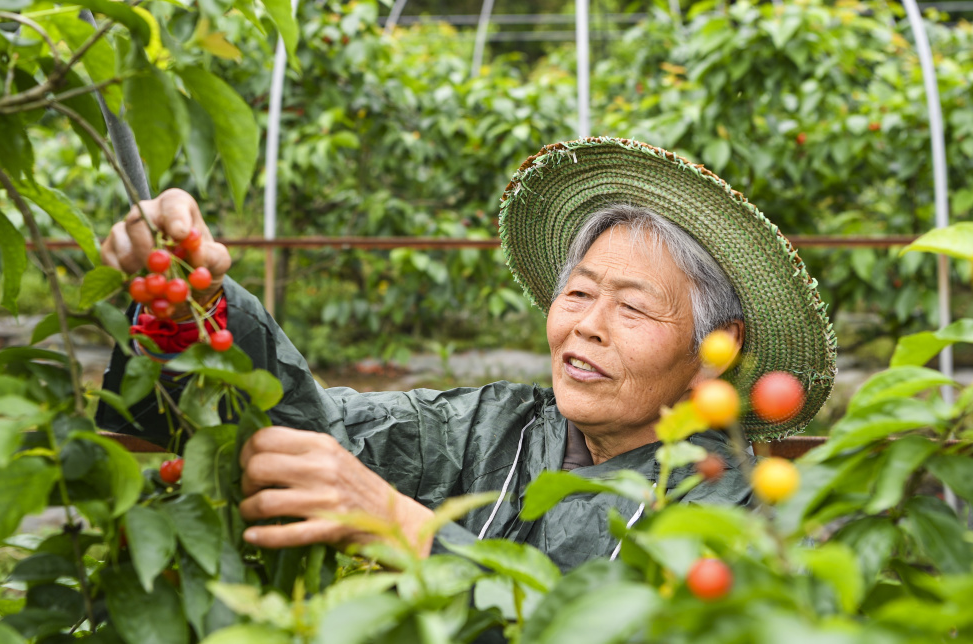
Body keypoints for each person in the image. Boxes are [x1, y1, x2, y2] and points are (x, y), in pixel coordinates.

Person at [98, 137, 837, 572]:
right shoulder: (494, 428)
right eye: (579, 293)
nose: (587, 326)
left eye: (634, 307)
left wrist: (404, 527)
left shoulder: (739, 512)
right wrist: (194, 302)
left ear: (716, 350)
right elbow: (318, 428)